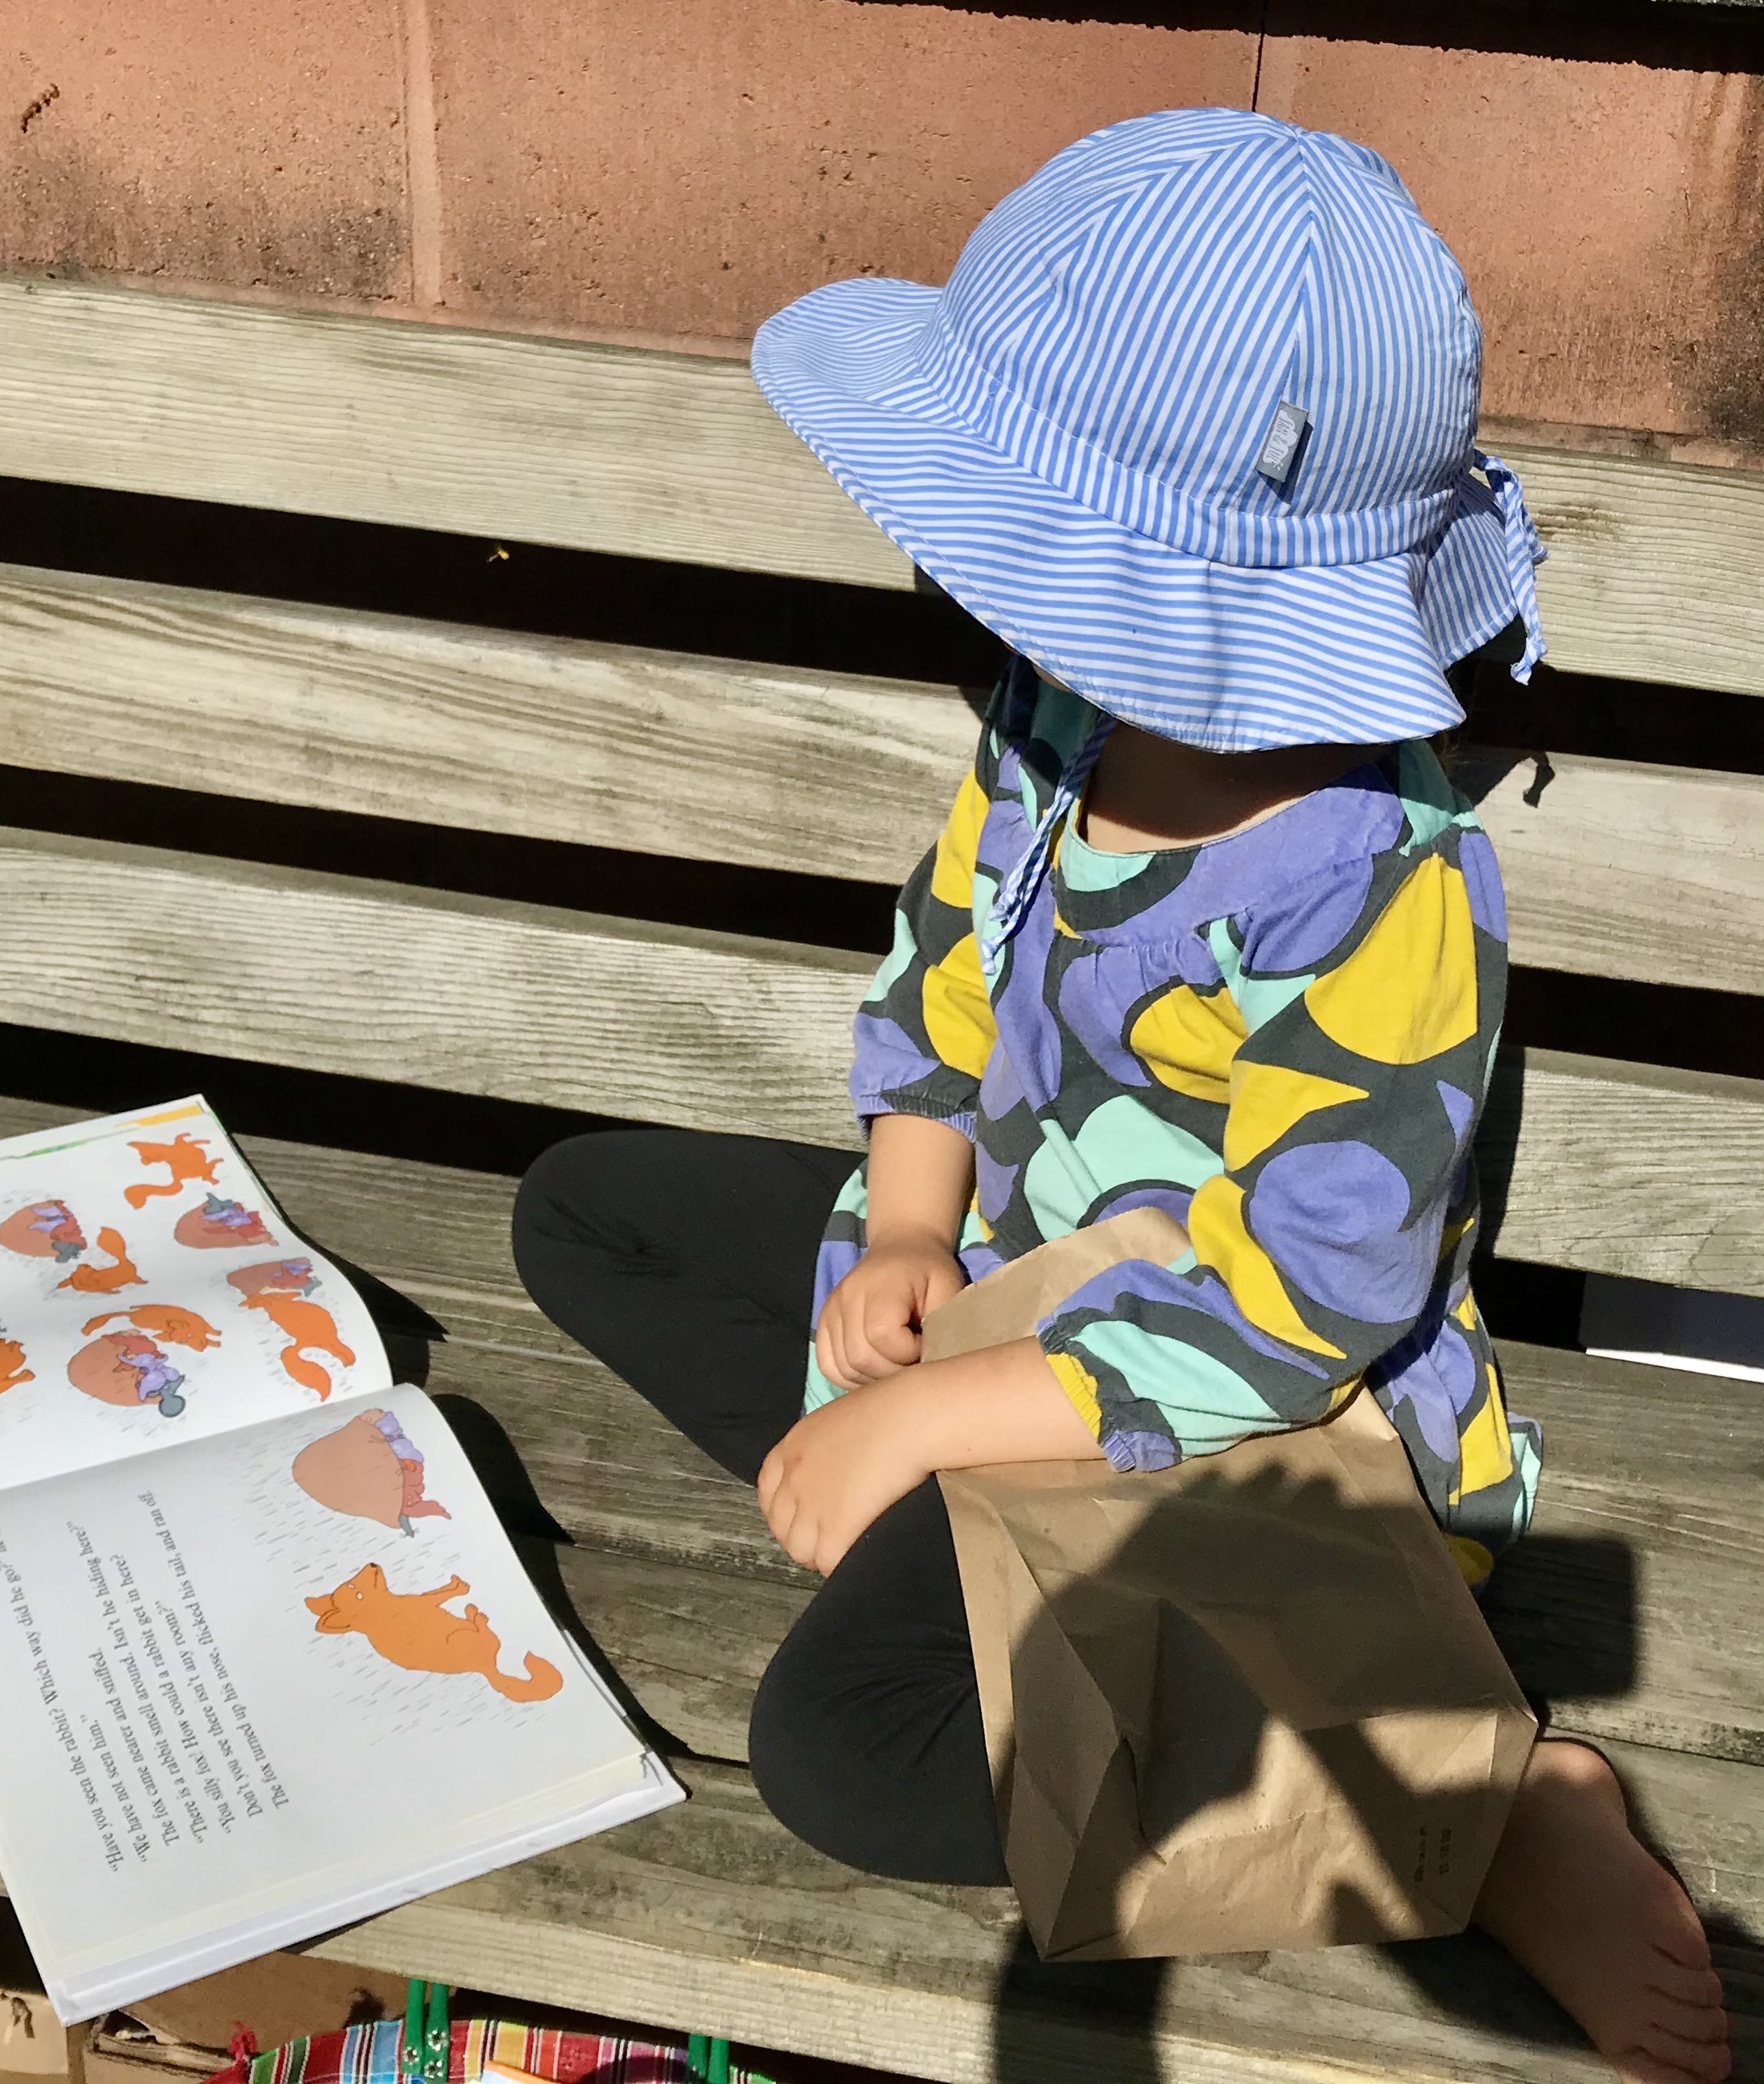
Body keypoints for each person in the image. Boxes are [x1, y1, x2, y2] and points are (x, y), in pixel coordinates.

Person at [511, 109, 1729, 2084]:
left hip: (1236, 1422)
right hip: (1005, 1279)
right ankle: (955, 1525)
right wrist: (910, 1223)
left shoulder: (1372, 877)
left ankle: (1465, 1798)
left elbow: (1296, 1307)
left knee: (838, 1750)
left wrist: (924, 1415)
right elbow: (947, 961)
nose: (955, 568)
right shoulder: (1057, 709)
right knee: (580, 1210)